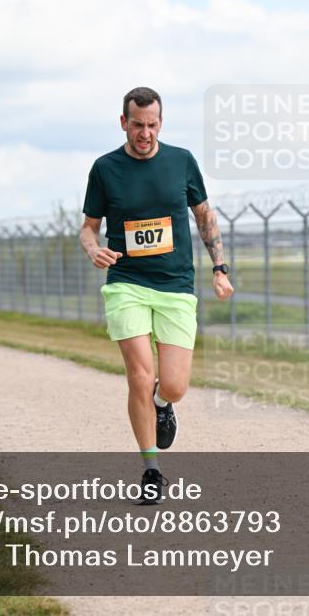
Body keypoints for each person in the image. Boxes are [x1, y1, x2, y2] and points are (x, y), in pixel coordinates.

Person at [80, 87, 233, 505]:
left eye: (152, 125)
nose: (145, 133)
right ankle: (151, 469)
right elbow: (89, 226)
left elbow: (204, 216)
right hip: (126, 282)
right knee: (140, 376)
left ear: (160, 123)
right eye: (137, 124)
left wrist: (219, 269)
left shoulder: (182, 161)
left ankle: (165, 405)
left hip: (176, 286)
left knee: (176, 384)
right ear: (123, 122)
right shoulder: (105, 168)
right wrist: (94, 249)